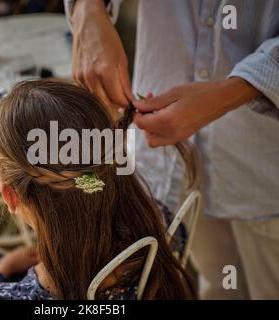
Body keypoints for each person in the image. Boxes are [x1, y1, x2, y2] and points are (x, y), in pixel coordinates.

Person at [0, 80, 194, 300]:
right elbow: (89, 184)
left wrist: (1, 272)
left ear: (10, 196)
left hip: (11, 285)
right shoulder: (154, 222)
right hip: (37, 281)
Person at [65, 0, 279, 299]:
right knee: (218, 284)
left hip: (265, 167)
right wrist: (88, 9)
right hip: (170, 171)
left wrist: (238, 89)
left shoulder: (111, 190)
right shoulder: (113, 186)